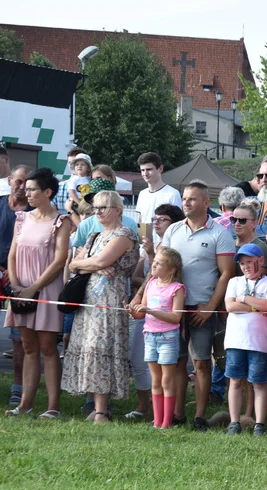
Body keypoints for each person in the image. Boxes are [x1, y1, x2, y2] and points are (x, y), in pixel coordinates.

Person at [155, 181, 234, 430]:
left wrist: (211, 306)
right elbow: (160, 266)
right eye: (184, 198)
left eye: (191, 199)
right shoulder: (174, 230)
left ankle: (200, 416)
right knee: (176, 361)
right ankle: (177, 413)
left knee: (201, 362)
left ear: (205, 203)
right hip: (173, 308)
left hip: (201, 307)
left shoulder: (219, 233)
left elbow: (226, 273)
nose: (186, 203)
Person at [62, 187, 139, 424]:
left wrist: (88, 264)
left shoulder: (124, 235)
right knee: (88, 348)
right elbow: (74, 264)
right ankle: (95, 407)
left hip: (108, 301)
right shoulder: (95, 235)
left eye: (103, 207)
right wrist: (88, 264)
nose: (98, 212)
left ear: (117, 210)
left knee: (101, 350)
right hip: (89, 301)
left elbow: (102, 260)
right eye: (95, 208)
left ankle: (103, 410)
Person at [4, 168, 70, 417]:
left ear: (48, 192)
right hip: (20, 290)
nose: (26, 192)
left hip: (45, 289)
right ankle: (25, 404)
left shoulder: (61, 221)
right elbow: (12, 253)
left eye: (32, 189)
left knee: (48, 347)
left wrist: (34, 288)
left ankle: (53, 406)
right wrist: (17, 286)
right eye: (26, 188)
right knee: (28, 346)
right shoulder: (21, 218)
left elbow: (59, 259)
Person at [221, 244, 267, 436]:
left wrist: (244, 298)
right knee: (235, 381)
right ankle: (234, 421)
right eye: (243, 263)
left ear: (261, 261)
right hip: (236, 340)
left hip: (258, 342)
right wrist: (255, 307)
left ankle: (259, 423)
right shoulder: (234, 281)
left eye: (250, 262)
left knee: (259, 383)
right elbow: (230, 306)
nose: (245, 267)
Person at [131, 247, 186, 430]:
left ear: (171, 269)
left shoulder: (177, 289)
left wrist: (148, 310)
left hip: (168, 337)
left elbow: (176, 317)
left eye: (159, 263)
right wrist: (134, 311)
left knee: (166, 380)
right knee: (155, 380)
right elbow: (142, 312)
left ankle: (167, 422)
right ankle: (157, 420)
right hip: (150, 335)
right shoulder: (151, 283)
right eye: (154, 262)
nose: (153, 265)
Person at [0, 165, 30, 406]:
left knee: (18, 338)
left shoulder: (34, 212)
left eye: (27, 184)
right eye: (18, 182)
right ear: (9, 180)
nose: (22, 188)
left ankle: (17, 388)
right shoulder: (0, 204)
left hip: (20, 277)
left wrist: (13, 272)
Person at [136, 152, 182, 243]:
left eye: (149, 169)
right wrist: (141, 246)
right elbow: (141, 222)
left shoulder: (172, 194)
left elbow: (177, 224)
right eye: (142, 170)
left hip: (165, 246)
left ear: (160, 168)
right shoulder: (142, 194)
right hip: (145, 248)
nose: (145, 173)